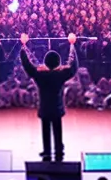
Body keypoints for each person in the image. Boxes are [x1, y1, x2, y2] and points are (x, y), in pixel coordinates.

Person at [19, 31, 78, 161]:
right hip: (57, 107)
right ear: (58, 62)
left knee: (45, 131)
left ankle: (47, 151)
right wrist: (72, 46)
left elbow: (28, 66)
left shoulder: (40, 76)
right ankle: (58, 151)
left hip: (45, 107)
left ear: (45, 62)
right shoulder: (60, 75)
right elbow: (74, 67)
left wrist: (23, 47)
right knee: (58, 130)